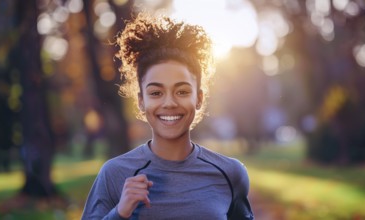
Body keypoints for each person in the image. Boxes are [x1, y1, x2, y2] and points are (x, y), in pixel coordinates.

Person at [81, 12, 254, 220]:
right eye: (156, 93)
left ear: (198, 98)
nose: (169, 103)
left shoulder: (230, 173)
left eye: (182, 91)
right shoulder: (114, 174)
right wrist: (120, 213)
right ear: (141, 101)